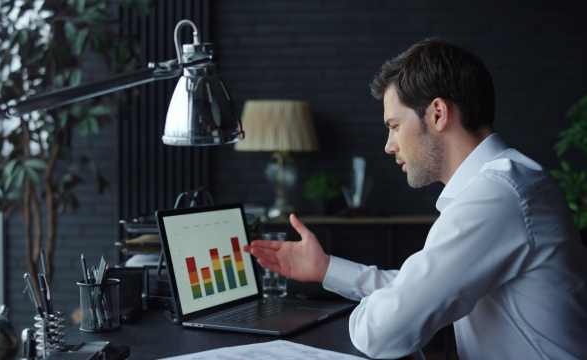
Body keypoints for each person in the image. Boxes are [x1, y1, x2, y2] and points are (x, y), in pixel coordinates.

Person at [243, 38, 587, 360]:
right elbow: (421, 288)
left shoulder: (495, 197)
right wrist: (325, 269)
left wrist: (365, 313)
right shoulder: (510, 180)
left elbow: (382, 331)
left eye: (394, 125)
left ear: (438, 114)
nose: (389, 145)